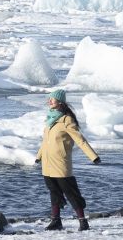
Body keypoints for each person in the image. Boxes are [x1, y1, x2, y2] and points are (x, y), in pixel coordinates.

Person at [35, 88, 101, 231]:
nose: (49, 101)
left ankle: (83, 222)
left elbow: (80, 140)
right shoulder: (50, 119)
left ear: (60, 102)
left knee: (71, 192)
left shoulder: (67, 120)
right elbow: (45, 141)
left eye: (52, 99)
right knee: (54, 192)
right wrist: (38, 157)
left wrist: (93, 156)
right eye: (49, 98)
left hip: (60, 163)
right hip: (47, 163)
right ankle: (56, 221)